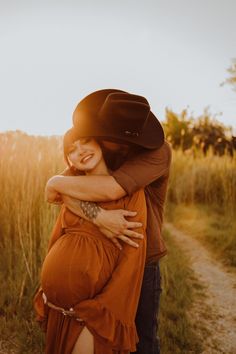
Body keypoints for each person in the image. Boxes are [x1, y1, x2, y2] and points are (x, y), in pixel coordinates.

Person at [44, 89, 172, 354]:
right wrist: (98, 216)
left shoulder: (157, 152)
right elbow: (60, 192)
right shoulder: (97, 147)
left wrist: (60, 186)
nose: (120, 146)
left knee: (142, 339)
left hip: (141, 255)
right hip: (102, 260)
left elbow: (113, 189)